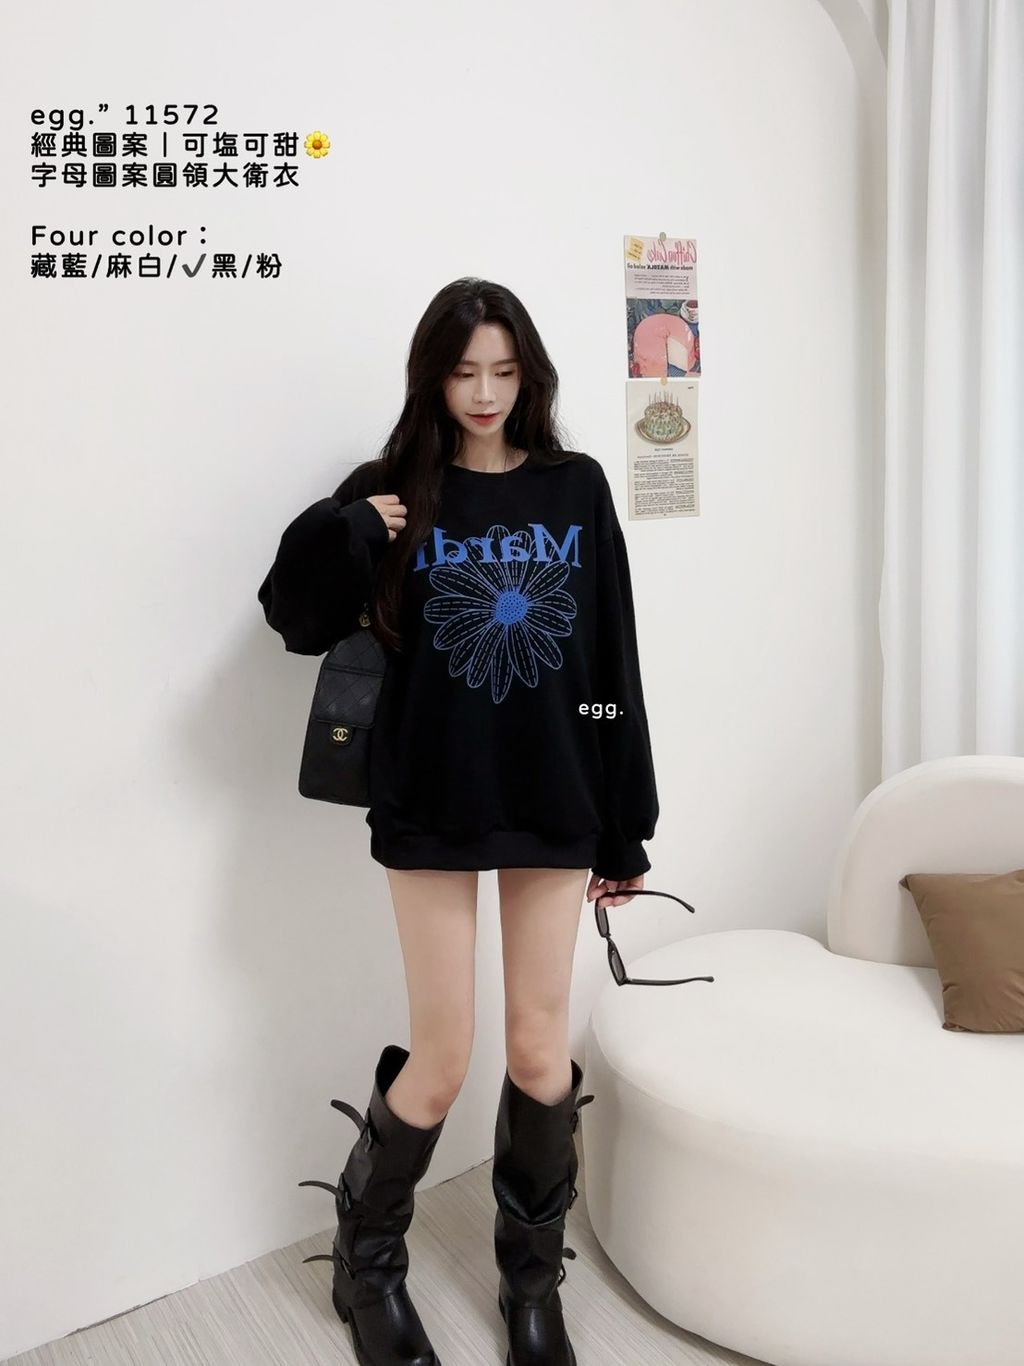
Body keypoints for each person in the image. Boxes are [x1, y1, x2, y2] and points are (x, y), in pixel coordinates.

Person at [257, 277, 659, 1366]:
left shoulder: (574, 487)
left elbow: (610, 660)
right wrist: (347, 529)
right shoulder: (392, 490)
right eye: (464, 371)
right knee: (441, 1056)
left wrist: (626, 822)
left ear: (529, 376)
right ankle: (366, 1266)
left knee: (538, 1051)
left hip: (555, 797)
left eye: (503, 371)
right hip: (432, 797)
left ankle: (531, 1286)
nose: (484, 392)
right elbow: (292, 619)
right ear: (433, 377)